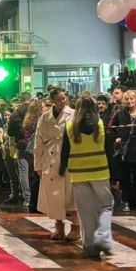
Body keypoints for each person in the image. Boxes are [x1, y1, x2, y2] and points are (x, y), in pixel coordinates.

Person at [60, 96, 113, 259]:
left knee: (86, 212)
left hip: (78, 174)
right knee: (105, 206)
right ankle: (103, 237)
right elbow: (110, 150)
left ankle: (90, 247)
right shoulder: (101, 125)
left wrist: (62, 170)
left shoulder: (70, 127)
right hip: (100, 172)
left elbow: (65, 151)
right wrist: (116, 175)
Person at [36, 89, 77, 239]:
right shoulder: (44, 117)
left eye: (64, 98)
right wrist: (38, 164)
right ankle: (59, 226)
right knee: (54, 196)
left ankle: (76, 227)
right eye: (59, 99)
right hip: (50, 158)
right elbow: (38, 141)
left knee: (72, 196)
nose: (63, 101)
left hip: (69, 157)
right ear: (53, 100)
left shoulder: (73, 114)